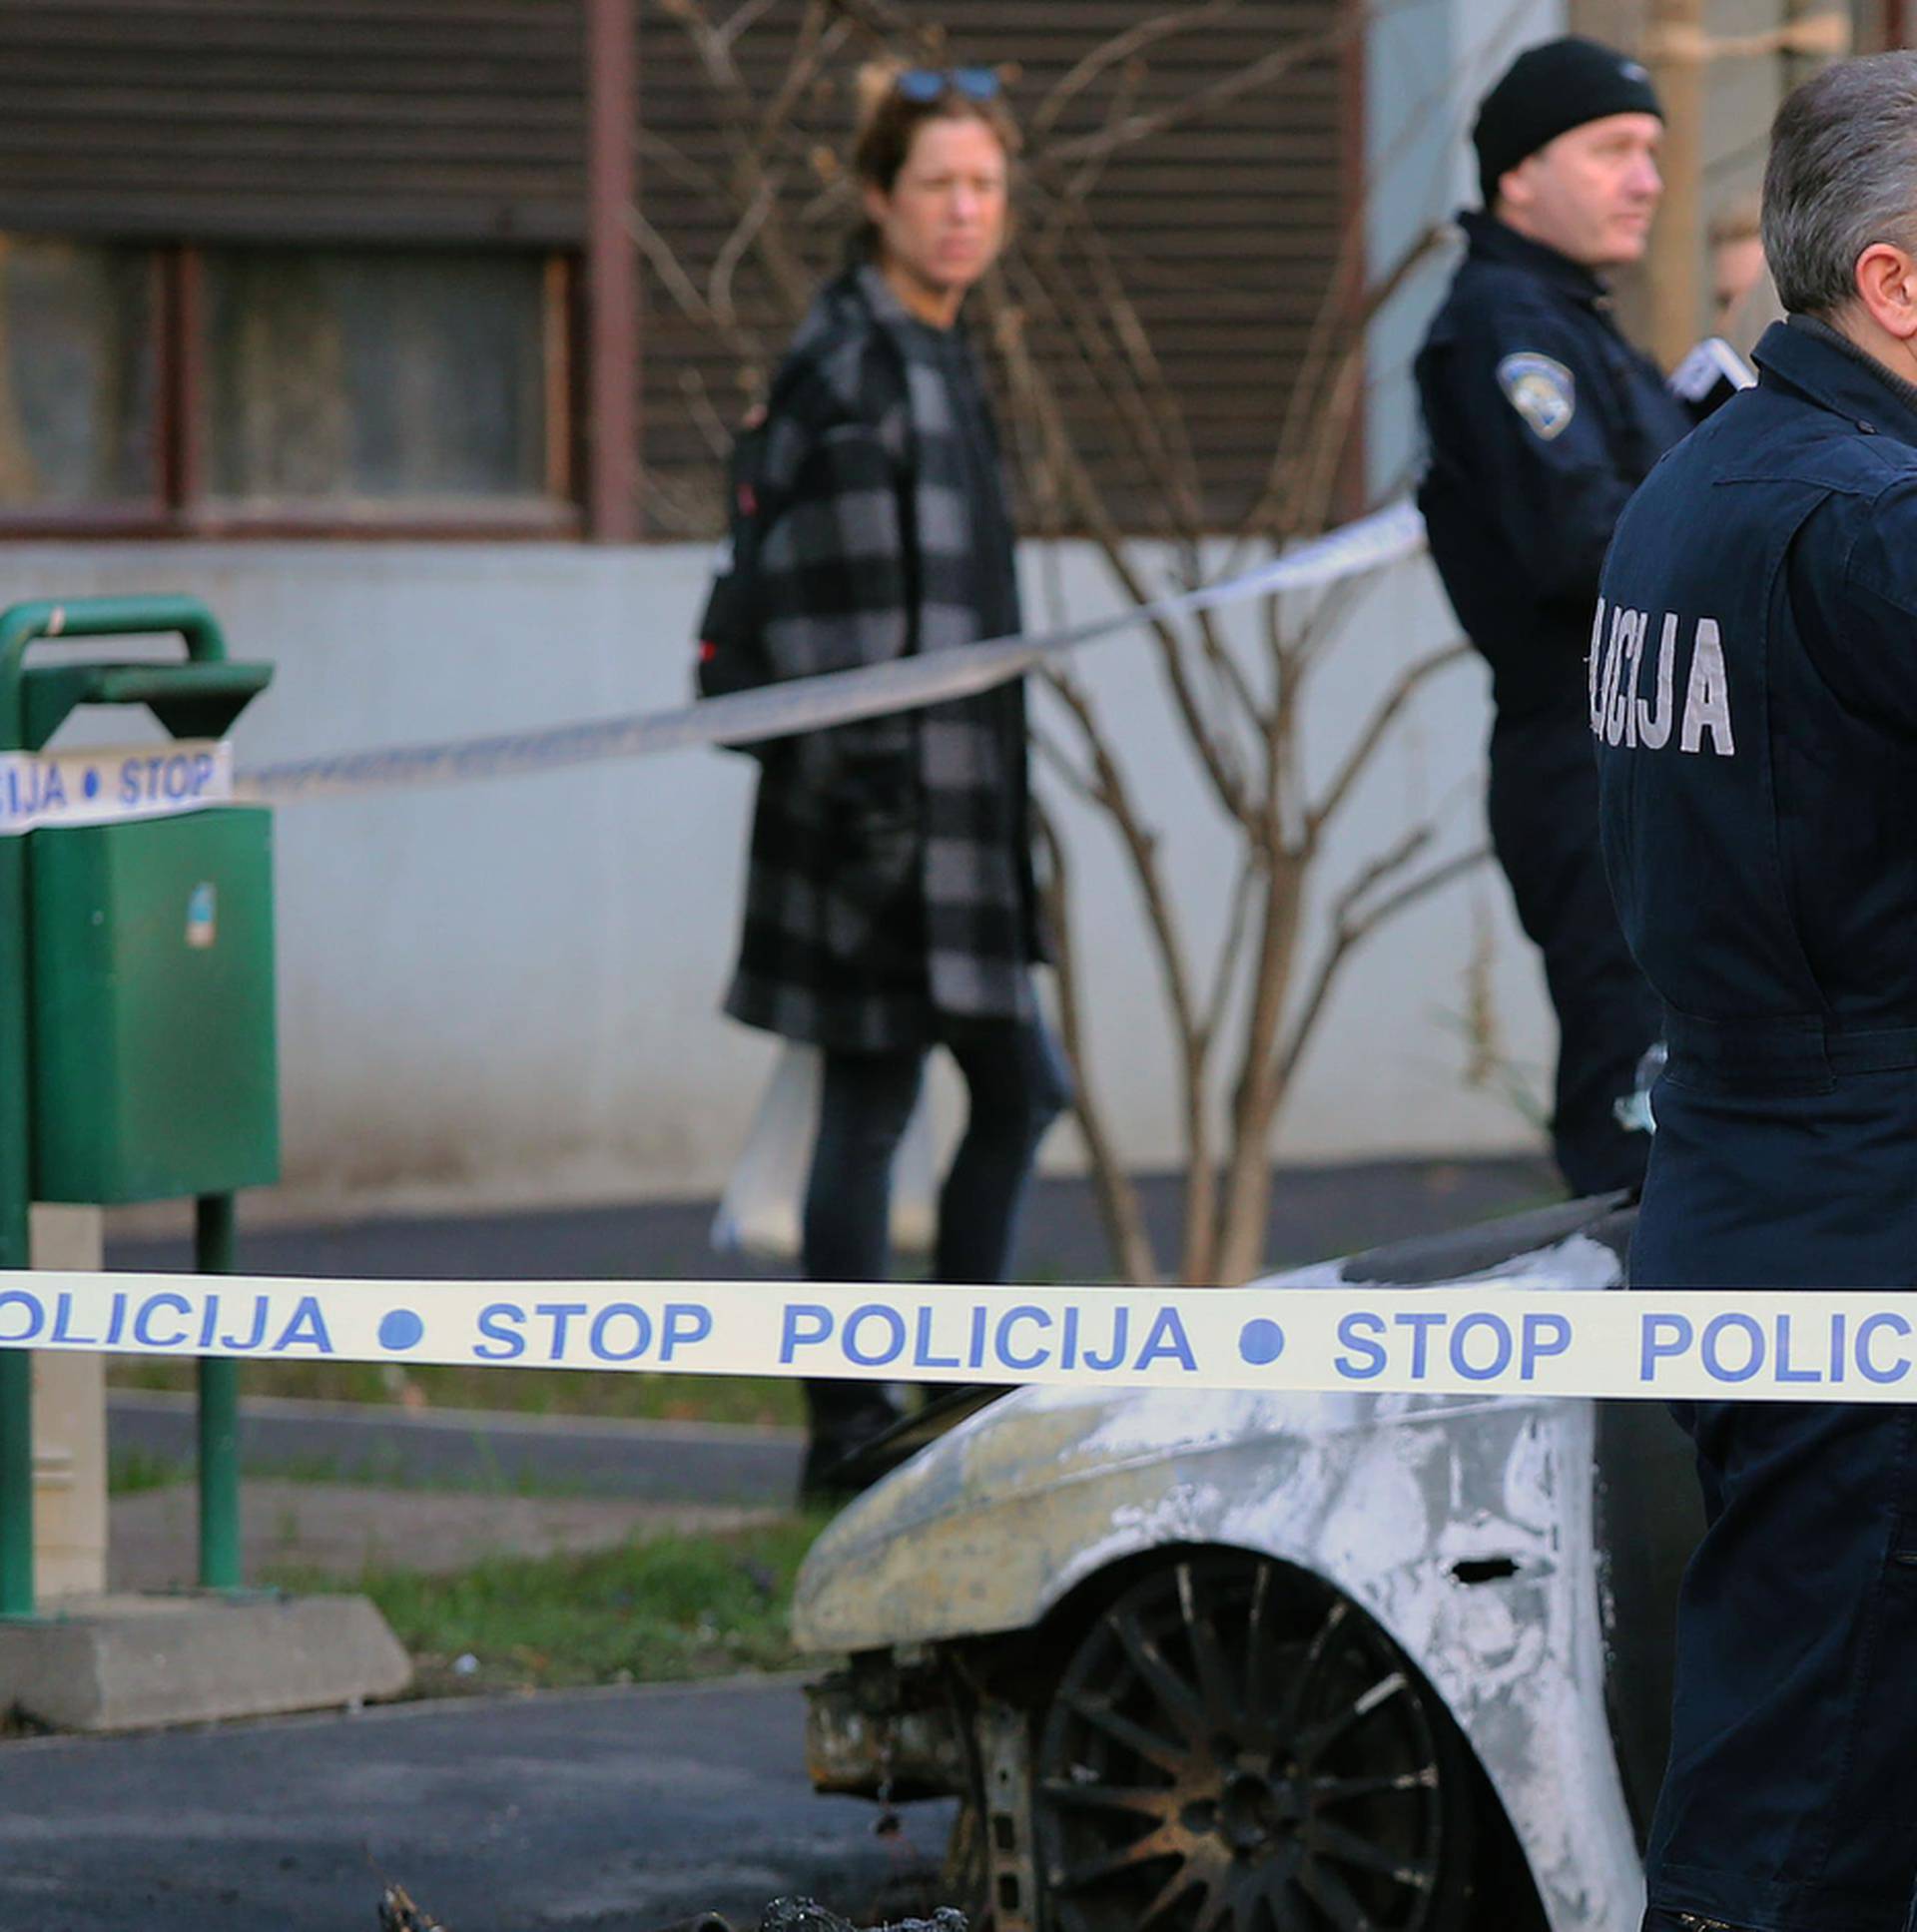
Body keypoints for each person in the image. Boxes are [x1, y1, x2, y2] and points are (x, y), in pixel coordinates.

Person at [1594, 53, 1917, 1932]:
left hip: (1747, 1179)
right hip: (1866, 1220)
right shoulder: (1870, 528)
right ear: (1896, 286)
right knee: (1805, 1814)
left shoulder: (1699, 484)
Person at [722, 64, 1068, 1501]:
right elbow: (835, 621)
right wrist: (876, 823)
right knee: (886, 1099)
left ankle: (937, 1394)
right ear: (878, 199)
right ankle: (860, 1425)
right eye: (938, 185)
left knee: (994, 1088)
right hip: (877, 820)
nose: (966, 212)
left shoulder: (934, 342)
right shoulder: (859, 357)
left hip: (953, 811)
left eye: (985, 186)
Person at [1415, 37, 1693, 1198]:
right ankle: (1640, 1379)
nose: (1648, 180)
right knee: (1637, 1111)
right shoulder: (1503, 328)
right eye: (1614, 150)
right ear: (1519, 173)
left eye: (1654, 154)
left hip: (1653, 755)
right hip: (1586, 759)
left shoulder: (1573, 319)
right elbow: (1588, 543)